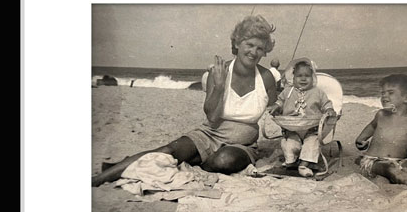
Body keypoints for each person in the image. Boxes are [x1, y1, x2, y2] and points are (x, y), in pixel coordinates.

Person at [91, 15, 280, 186]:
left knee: (222, 161)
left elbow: (274, 107)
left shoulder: (267, 78)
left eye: (260, 48)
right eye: (250, 45)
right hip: (209, 134)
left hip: (243, 146)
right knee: (166, 151)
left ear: (265, 52)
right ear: (237, 44)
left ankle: (127, 164)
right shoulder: (218, 72)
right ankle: (98, 180)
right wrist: (220, 87)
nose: (254, 52)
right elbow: (213, 118)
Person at [270, 58, 336, 177]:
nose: (303, 79)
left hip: (311, 128)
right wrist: (276, 106)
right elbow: (280, 101)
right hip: (291, 127)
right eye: (299, 76)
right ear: (293, 78)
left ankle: (304, 164)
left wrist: (329, 109)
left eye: (307, 76)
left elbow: (326, 103)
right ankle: (291, 161)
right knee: (289, 143)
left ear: (313, 78)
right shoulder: (288, 91)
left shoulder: (317, 92)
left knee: (312, 142)